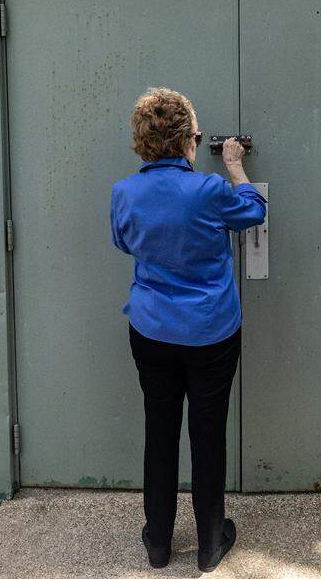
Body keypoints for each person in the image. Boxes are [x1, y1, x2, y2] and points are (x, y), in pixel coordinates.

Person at [109, 87, 266, 572]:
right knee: (207, 433)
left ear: (142, 143)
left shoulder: (124, 193)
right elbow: (255, 211)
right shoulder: (210, 191)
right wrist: (236, 166)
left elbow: (122, 240)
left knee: (160, 431)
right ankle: (208, 545)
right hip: (211, 333)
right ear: (188, 142)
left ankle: (158, 543)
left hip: (151, 330)